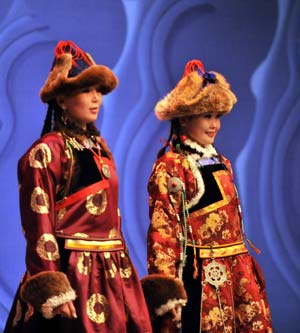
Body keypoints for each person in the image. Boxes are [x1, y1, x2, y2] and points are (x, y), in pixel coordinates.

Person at [4, 40, 152, 333]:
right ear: (62, 100)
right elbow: (39, 224)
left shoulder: (100, 148)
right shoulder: (47, 152)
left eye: (99, 90)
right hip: (72, 272)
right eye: (86, 90)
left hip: (113, 271)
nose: (96, 99)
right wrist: (53, 285)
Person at [146, 59, 273, 333]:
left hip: (236, 270)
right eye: (207, 116)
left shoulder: (222, 161)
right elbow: (162, 230)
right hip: (202, 276)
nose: (214, 124)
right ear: (184, 118)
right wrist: (167, 290)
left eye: (217, 116)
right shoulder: (173, 165)